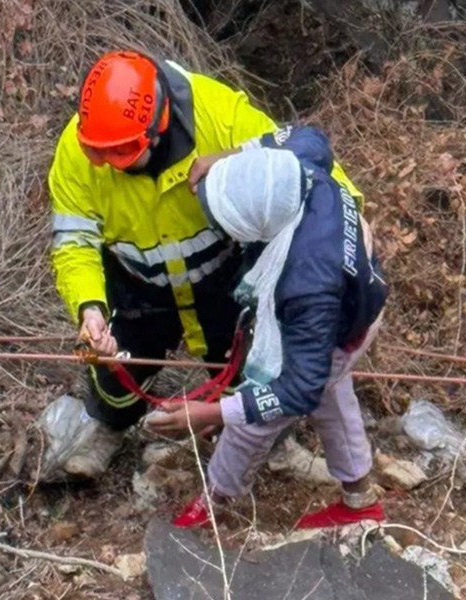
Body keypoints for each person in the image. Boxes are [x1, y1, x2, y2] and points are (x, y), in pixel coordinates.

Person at [45, 48, 367, 479]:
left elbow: (313, 173)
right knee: (117, 370)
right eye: (98, 153)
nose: (106, 165)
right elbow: (74, 241)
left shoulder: (221, 115)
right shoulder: (78, 149)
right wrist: (89, 306)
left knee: (249, 368)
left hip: (226, 275)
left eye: (121, 152)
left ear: (157, 127)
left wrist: (343, 244)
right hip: (136, 282)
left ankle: (267, 447)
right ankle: (109, 428)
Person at [147, 124, 389, 530]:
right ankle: (360, 500)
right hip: (359, 292)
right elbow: (310, 134)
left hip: (341, 318)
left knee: (254, 417)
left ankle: (213, 504)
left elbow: (299, 389)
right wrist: (226, 158)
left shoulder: (305, 284)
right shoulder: (299, 165)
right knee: (332, 390)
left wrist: (212, 411)